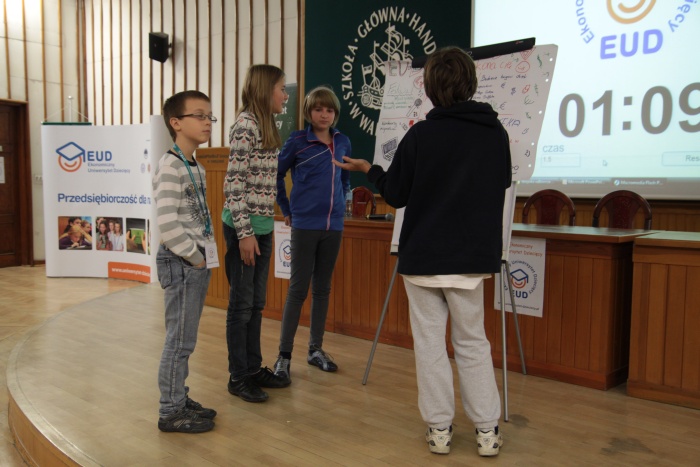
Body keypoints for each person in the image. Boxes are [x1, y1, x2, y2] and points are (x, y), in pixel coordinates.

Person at [334, 46, 510, 457]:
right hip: (470, 259)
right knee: (473, 342)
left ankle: (439, 430)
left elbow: (395, 194)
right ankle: (487, 432)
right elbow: (500, 183)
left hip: (424, 258)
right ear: (471, 83)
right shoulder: (495, 133)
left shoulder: (420, 135)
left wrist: (370, 170)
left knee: (430, 344)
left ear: (429, 88)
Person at [272, 86, 351, 383]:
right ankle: (284, 355)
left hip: (334, 226)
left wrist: (341, 204)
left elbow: (344, 177)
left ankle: (315, 349)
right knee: (297, 290)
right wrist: (286, 208)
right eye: (318, 109)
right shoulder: (297, 141)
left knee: (322, 289)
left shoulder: (343, 141)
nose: (324, 114)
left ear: (335, 113)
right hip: (304, 225)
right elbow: (277, 174)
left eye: (329, 110)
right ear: (308, 112)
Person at [222, 64, 290, 403]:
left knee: (257, 304)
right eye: (281, 88)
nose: (285, 95)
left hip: (261, 228)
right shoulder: (245, 126)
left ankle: (252, 367)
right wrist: (245, 233)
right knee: (241, 305)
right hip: (243, 229)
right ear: (266, 90)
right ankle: (238, 376)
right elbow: (233, 185)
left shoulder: (267, 126)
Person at [153, 90, 218, 433]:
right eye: (199, 116)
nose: (207, 122)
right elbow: (168, 224)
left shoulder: (195, 166)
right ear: (176, 123)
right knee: (178, 341)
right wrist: (194, 259)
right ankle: (170, 411)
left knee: (185, 339)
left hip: (194, 261)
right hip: (181, 261)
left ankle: (179, 395)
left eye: (209, 116)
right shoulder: (170, 166)